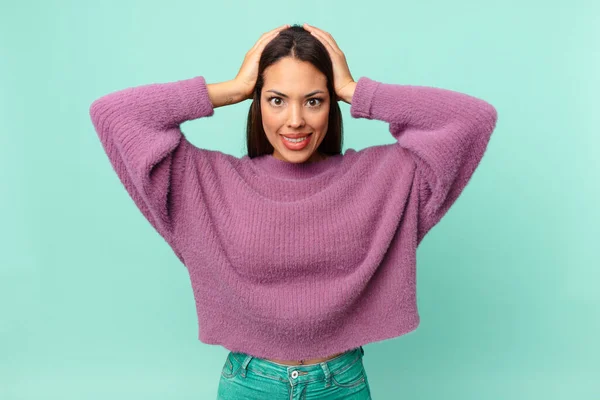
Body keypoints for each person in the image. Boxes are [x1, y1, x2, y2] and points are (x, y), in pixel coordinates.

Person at [89, 23, 498, 400]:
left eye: (314, 101)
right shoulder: (206, 182)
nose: (296, 120)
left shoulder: (382, 179)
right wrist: (233, 88)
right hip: (249, 382)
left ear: (331, 104)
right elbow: (114, 114)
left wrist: (356, 90)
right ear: (258, 103)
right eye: (277, 100)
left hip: (342, 383)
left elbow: (472, 120)